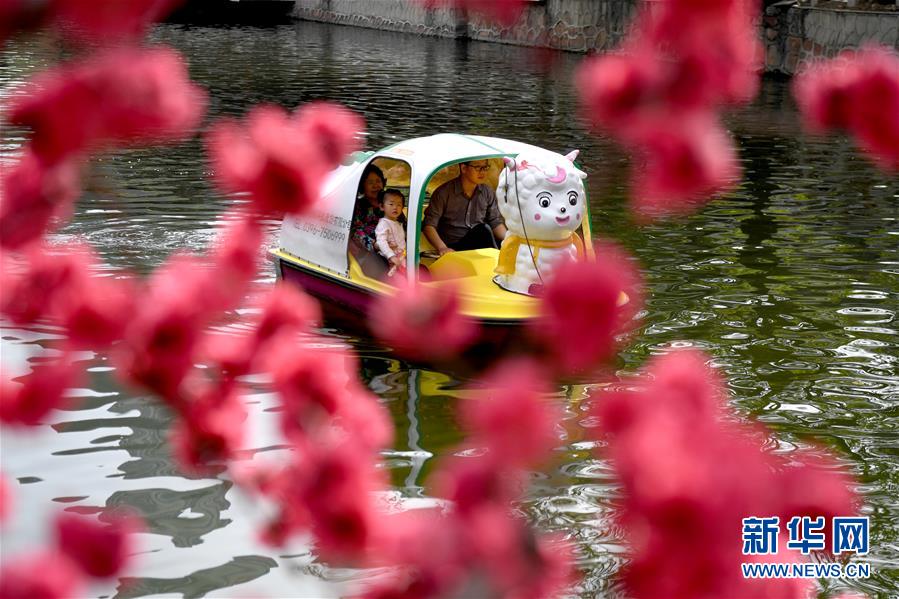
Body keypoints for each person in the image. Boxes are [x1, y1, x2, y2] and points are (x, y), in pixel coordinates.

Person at [423, 159, 507, 256]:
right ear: (463, 168)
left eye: (485, 167)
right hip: (454, 247)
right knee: (483, 229)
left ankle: (500, 259)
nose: (483, 172)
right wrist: (442, 247)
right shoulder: (443, 193)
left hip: (479, 244)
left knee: (499, 241)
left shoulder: (487, 192)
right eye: (478, 167)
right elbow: (429, 225)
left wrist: (510, 240)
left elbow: (495, 222)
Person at [350, 163, 388, 277]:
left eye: (378, 181)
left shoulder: (390, 203)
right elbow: (356, 232)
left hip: (393, 250)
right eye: (370, 183)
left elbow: (402, 224)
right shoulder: (358, 206)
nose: (375, 185)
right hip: (369, 253)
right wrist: (375, 245)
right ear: (363, 186)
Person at [375, 189, 407, 278]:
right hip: (388, 259)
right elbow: (381, 242)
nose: (395, 207)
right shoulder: (383, 224)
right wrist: (391, 256)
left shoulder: (398, 223)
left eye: (399, 205)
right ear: (382, 207)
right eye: (391, 204)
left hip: (401, 257)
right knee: (398, 279)